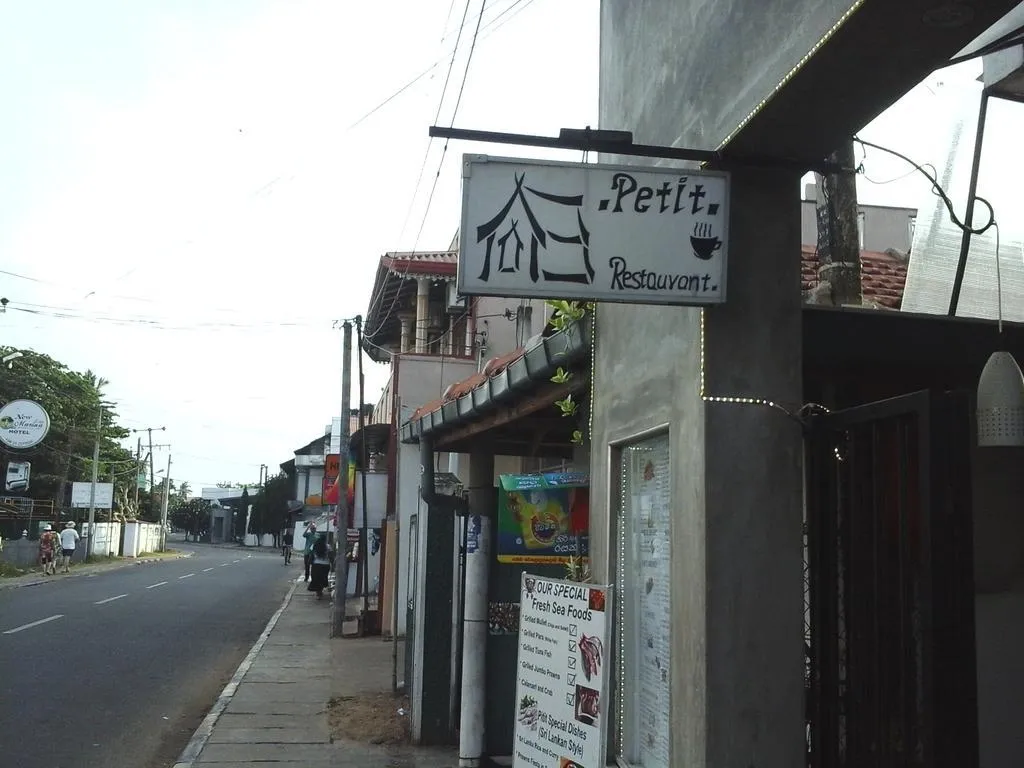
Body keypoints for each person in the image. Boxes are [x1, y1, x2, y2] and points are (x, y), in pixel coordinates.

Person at [307, 533, 331, 600]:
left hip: (316, 564)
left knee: (316, 579)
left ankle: (318, 593)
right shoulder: (328, 546)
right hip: (326, 565)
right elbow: (331, 556)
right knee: (323, 579)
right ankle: (320, 591)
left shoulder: (315, 545)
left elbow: (310, 553)